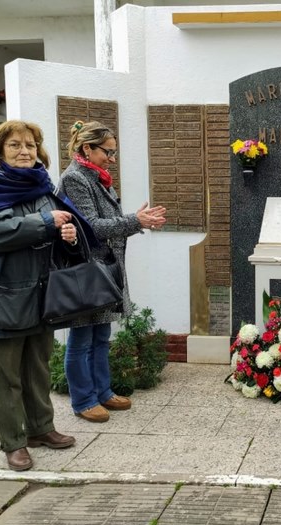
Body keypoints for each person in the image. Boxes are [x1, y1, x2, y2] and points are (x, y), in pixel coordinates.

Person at [0, 120, 83, 471]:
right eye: (15, 145)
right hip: (0, 298)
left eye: (30, 145)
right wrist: (47, 222)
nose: (24, 151)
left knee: (37, 369)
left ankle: (41, 429)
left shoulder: (40, 186)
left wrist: (67, 233)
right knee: (7, 378)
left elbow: (52, 226)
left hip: (39, 295)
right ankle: (14, 442)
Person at [59, 120, 166, 423]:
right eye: (108, 152)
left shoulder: (99, 177)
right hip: (85, 271)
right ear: (87, 148)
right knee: (81, 339)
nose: (112, 159)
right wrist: (136, 220)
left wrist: (139, 222)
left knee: (101, 334)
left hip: (105, 269)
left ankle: (103, 392)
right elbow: (91, 226)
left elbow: (110, 226)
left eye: (114, 152)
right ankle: (83, 400)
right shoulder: (76, 179)